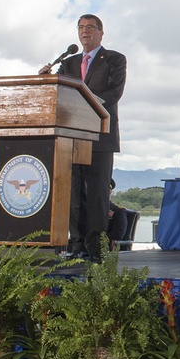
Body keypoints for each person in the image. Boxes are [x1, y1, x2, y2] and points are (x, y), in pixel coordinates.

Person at [40, 14, 126, 262]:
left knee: (97, 194)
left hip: (99, 134)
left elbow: (113, 94)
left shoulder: (114, 59)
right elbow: (59, 94)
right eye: (81, 27)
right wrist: (47, 81)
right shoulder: (69, 63)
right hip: (71, 137)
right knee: (73, 194)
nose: (84, 31)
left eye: (90, 27)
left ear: (101, 32)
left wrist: (82, 103)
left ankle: (95, 249)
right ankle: (76, 246)